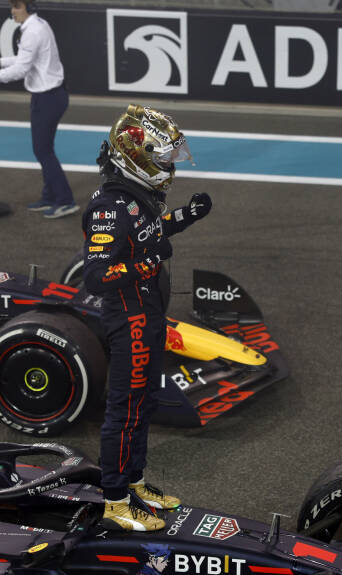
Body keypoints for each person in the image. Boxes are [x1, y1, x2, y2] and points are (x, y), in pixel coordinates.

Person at [82, 105, 212, 532]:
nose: (166, 166)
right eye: (160, 158)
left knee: (144, 404)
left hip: (150, 314)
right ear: (134, 156)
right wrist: (152, 260)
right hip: (129, 319)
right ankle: (116, 501)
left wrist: (186, 217)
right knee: (124, 410)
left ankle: (134, 482)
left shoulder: (136, 199)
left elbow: (151, 234)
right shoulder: (108, 207)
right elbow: (98, 276)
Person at [0, 0, 79, 220]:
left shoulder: (33, 31)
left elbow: (20, 69)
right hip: (50, 96)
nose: (13, 11)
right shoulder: (37, 25)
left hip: (48, 98)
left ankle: (65, 200)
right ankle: (49, 196)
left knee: (43, 150)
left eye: (17, 7)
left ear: (29, 8)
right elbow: (24, 59)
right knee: (44, 148)